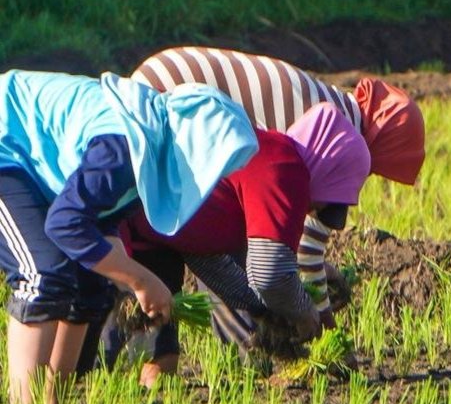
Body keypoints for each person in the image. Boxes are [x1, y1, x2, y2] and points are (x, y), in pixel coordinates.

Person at [0, 70, 257, 404]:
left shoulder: (150, 161)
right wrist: (141, 279)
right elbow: (65, 224)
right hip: (9, 146)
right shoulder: (122, 146)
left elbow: (97, 223)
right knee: (43, 274)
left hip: (34, 164)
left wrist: (122, 272)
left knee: (91, 284)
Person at [131, 46, 424, 325]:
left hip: (160, 78)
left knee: (221, 234)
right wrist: (318, 319)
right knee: (234, 240)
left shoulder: (332, 103)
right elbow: (298, 251)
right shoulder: (339, 142)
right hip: (171, 96)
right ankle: (243, 350)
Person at [125, 103, 371, 385]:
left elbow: (207, 253)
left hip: (149, 231)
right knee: (92, 354)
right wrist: (304, 313)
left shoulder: (265, 169)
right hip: (124, 229)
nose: (319, 208)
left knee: (146, 366)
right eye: (330, 199)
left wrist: (272, 316)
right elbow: (269, 275)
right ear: (328, 169)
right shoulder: (283, 164)